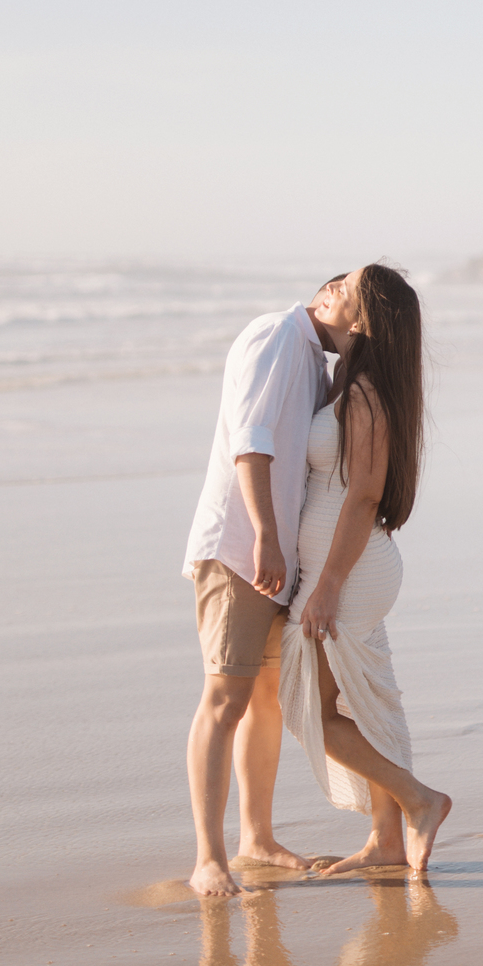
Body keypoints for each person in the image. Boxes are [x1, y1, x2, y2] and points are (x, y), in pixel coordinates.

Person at [278, 266, 451, 872]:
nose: (330, 288)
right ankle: (385, 842)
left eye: (344, 288)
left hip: (348, 574)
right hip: (348, 569)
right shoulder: (348, 382)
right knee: (362, 707)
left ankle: (420, 801)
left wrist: (326, 585)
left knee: (313, 711)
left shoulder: (364, 394)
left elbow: (363, 497)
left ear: (364, 318)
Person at [182, 279, 343, 898]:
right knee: (224, 698)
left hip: (274, 555)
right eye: (361, 309)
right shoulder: (276, 333)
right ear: (328, 295)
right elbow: (250, 440)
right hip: (241, 549)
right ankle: (208, 858)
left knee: (264, 698)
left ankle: (257, 839)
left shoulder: (314, 360)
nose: (366, 327)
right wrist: (267, 537)